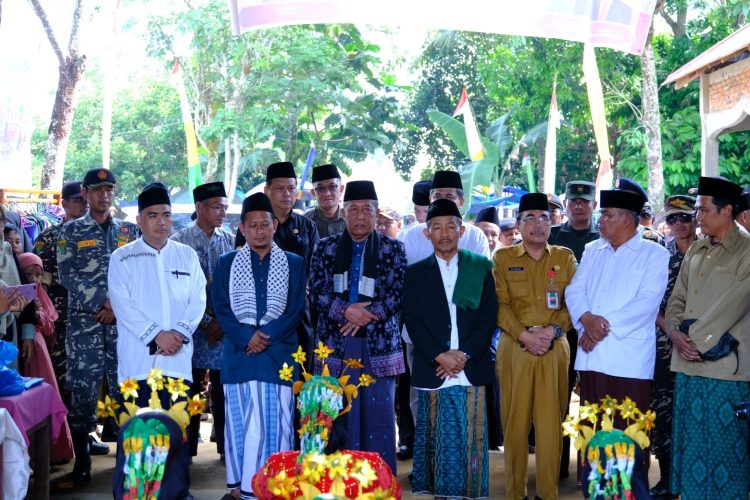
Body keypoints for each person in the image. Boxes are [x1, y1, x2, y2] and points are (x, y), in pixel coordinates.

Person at [107, 183, 205, 498]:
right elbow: (123, 306)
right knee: (137, 435)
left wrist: (179, 333)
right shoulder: (122, 258)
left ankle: (176, 494)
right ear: (139, 220)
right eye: (153, 215)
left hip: (177, 363)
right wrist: (156, 335)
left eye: (165, 214)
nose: (161, 221)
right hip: (137, 366)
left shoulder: (186, 255)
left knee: (175, 436)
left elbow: (197, 300)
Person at [212, 193, 306, 500]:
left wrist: (263, 336)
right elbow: (222, 308)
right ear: (241, 228)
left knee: (276, 426)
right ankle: (241, 488)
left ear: (275, 225)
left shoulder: (294, 263)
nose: (259, 231)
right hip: (239, 357)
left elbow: (294, 310)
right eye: (252, 226)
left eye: (265, 224)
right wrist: (245, 337)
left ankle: (274, 487)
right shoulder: (226, 263)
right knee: (241, 427)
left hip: (277, 357)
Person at [309, 180, 406, 473]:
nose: (361, 216)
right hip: (336, 343)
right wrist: (345, 311)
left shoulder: (393, 248)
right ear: (344, 213)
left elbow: (397, 293)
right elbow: (316, 290)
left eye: (367, 210)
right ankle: (337, 480)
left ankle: (379, 479)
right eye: (354, 210)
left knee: (378, 414)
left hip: (377, 347)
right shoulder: (325, 248)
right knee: (337, 413)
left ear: (376, 215)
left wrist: (365, 314)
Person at [404, 199, 497, 499]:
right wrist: (440, 355)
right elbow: (413, 320)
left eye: (451, 226)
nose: (444, 233)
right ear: (426, 233)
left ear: (461, 230)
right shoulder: (416, 273)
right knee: (436, 438)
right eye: (437, 227)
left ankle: (470, 492)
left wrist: (464, 354)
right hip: (434, 366)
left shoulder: (479, 267)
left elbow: (488, 317)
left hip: (470, 364)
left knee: (470, 436)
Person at [665, 176, 750, 499]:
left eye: (703, 210)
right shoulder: (697, 250)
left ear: (727, 210)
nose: (696, 217)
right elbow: (677, 299)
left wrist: (693, 340)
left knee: (728, 452)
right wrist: (674, 333)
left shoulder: (747, 250)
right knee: (693, 449)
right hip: (688, 367)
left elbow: (733, 305)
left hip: (726, 370)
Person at [57, 167, 139, 486]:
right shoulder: (71, 231)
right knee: (82, 395)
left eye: (109, 190)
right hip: (84, 327)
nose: (104, 196)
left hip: (122, 328)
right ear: (87, 195)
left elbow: (136, 275)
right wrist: (101, 303)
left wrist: (116, 306)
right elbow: (67, 275)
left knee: (125, 392)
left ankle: (126, 465)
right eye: (97, 190)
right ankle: (82, 466)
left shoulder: (128, 232)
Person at [494, 193, 576, 500]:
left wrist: (554, 329)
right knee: (514, 424)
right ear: (518, 224)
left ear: (553, 222)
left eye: (544, 217)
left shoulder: (564, 257)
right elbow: (499, 306)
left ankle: (547, 493)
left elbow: (575, 304)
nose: (538, 225)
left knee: (551, 423)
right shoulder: (503, 258)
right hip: (516, 347)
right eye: (530, 218)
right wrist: (525, 335)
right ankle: (516, 493)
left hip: (555, 347)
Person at [566, 180, 669, 415]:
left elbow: (646, 303)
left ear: (626, 219)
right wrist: (587, 318)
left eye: (606, 215)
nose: (599, 221)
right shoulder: (593, 249)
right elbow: (574, 290)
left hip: (628, 359)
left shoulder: (655, 254)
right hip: (592, 357)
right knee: (593, 433)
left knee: (628, 434)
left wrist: (597, 328)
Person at [171, 181, 235, 460]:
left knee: (224, 389)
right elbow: (177, 291)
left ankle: (225, 447)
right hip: (191, 328)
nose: (222, 212)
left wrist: (220, 321)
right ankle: (188, 449)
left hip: (224, 328)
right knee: (190, 389)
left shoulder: (230, 239)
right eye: (216, 206)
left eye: (224, 207)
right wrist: (205, 321)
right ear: (199, 207)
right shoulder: (179, 241)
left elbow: (237, 284)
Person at [547, 180, 600, 479]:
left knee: (592, 397)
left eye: (585, 201)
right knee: (558, 398)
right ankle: (555, 463)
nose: (579, 206)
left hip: (594, 330)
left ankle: (589, 465)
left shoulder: (604, 236)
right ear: (566, 205)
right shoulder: (553, 236)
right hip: (561, 328)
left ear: (593, 205)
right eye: (574, 201)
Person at [649, 195, 697, 499]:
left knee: (695, 415)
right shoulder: (659, 256)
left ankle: (693, 478)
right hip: (666, 349)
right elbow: (650, 304)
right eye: (672, 219)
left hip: (703, 349)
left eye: (685, 217)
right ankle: (666, 480)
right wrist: (673, 332)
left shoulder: (711, 252)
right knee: (663, 416)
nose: (678, 224)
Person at [18, 252, 74, 464]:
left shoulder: (39, 293)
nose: (33, 280)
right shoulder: (18, 291)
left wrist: (38, 315)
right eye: (28, 274)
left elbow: (49, 324)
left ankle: (50, 452)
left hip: (38, 349)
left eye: (38, 275)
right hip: (27, 346)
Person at [400, 171, 490, 263]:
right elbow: (409, 273)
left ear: (461, 202)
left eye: (449, 197)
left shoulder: (475, 236)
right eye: (437, 197)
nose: (442, 202)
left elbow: (482, 273)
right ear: (430, 200)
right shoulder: (414, 235)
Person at [304, 163, 346, 237]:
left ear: (341, 189)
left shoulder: (352, 219)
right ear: (313, 193)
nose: (327, 193)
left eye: (332, 186)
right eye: (320, 188)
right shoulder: (304, 221)